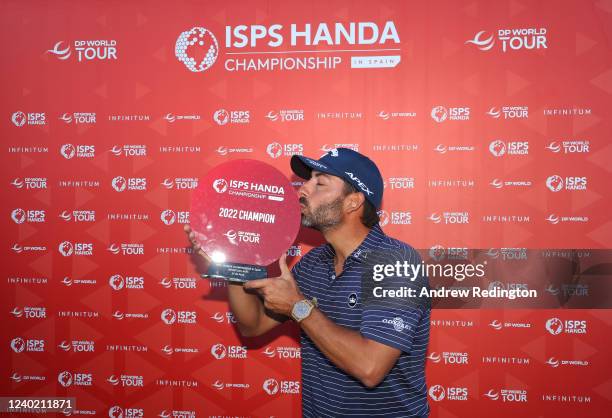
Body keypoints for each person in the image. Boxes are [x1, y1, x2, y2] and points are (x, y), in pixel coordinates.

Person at [185, 148, 430, 417]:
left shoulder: (394, 262)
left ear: (354, 202)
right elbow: (252, 325)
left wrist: (298, 307)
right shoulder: (313, 263)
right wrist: (234, 257)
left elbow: (370, 367)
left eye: (320, 183)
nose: (302, 191)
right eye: (306, 181)